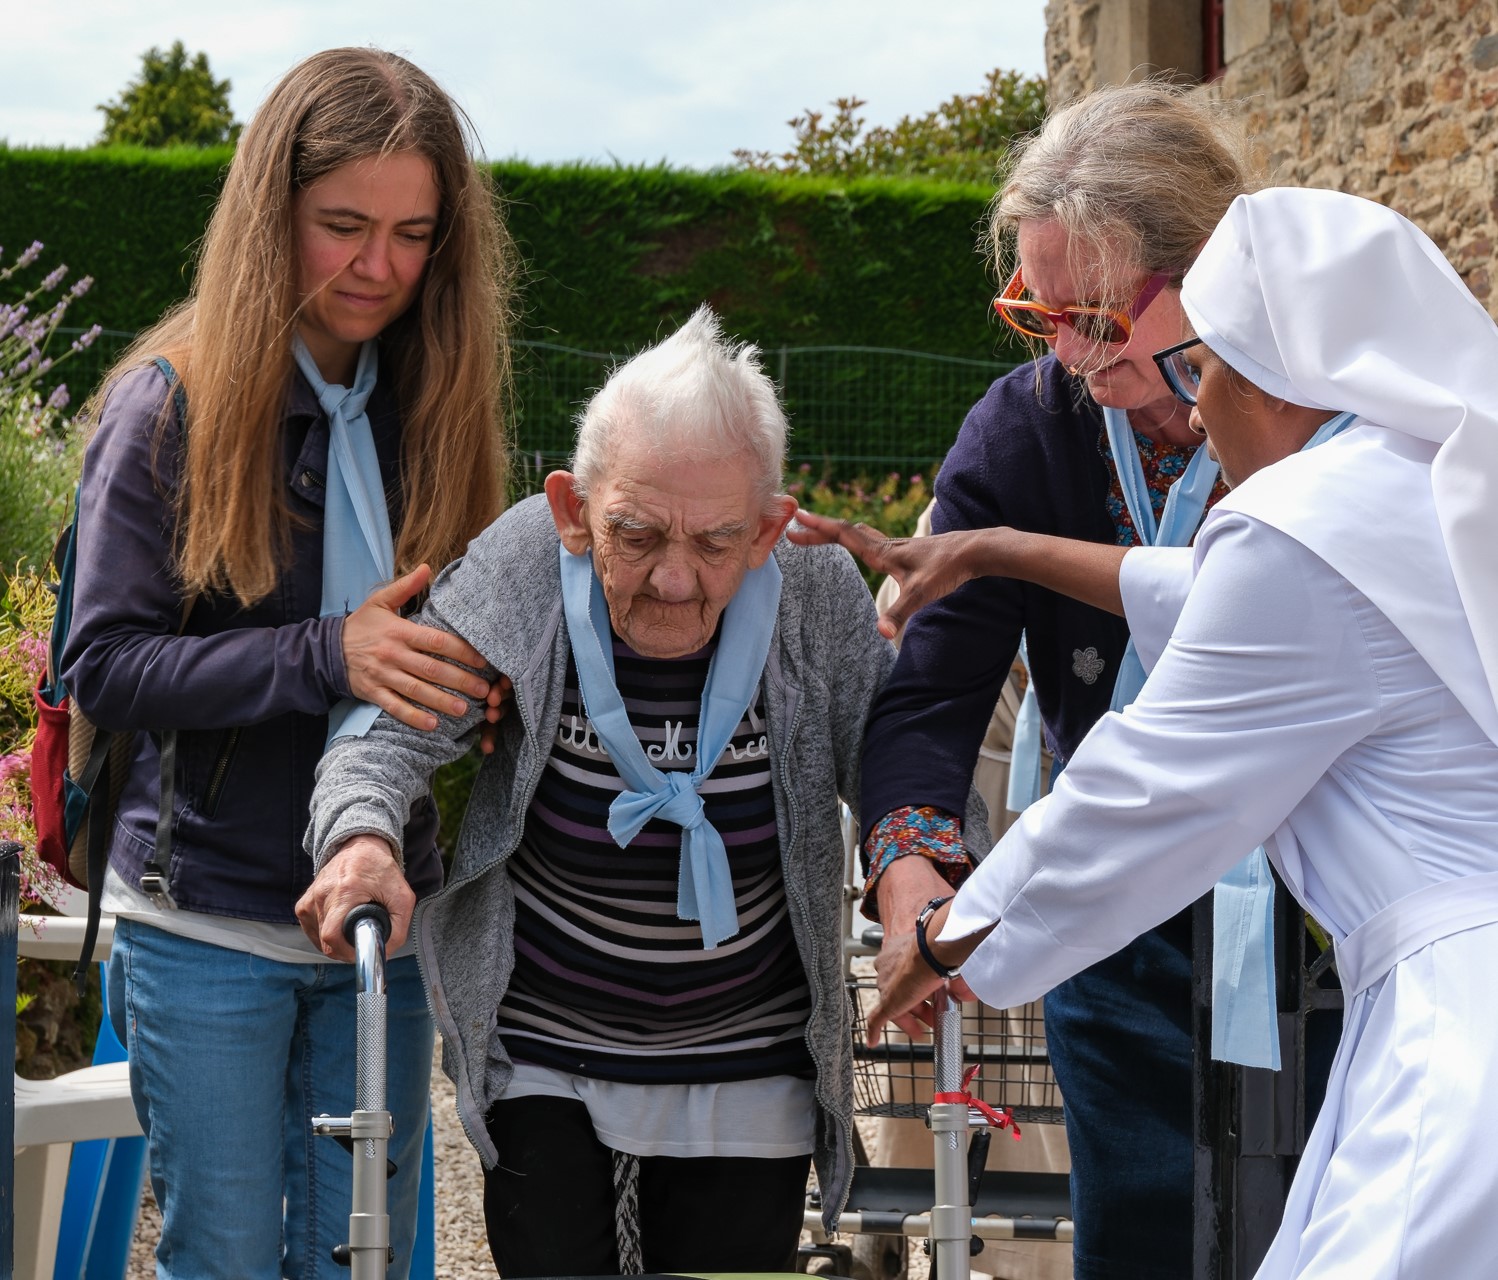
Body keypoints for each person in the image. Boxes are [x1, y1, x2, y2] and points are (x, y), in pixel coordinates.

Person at [813, 186, 1498, 1277]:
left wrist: (950, 937)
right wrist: (1001, 550)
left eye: (1203, 370)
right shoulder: (1433, 482)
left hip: (1459, 1031)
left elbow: (1142, 796)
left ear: (1272, 373)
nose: (1196, 409)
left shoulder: (1304, 532)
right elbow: (1208, 591)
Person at [297, 305, 903, 1278]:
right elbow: (390, 733)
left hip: (748, 1067)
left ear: (767, 529)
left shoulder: (814, 594)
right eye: (637, 530)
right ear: (574, 507)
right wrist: (362, 836)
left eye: (715, 542)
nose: (673, 578)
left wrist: (917, 867)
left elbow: (900, 764)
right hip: (550, 1055)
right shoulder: (528, 563)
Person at [60, 48, 514, 1280]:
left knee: (359, 1262)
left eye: (413, 233)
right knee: (225, 1261)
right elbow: (101, 664)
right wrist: (331, 652)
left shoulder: (433, 401)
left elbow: (447, 651)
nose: (379, 268)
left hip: (382, 921)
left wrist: (482, 693)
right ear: (272, 215)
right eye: (344, 226)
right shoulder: (169, 405)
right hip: (206, 925)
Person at [849, 80, 1251, 1280]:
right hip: (1114, 909)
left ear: (1209, 276)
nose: (1070, 357)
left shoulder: (1322, 415)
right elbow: (931, 688)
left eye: (1097, 319)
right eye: (1040, 312)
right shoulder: (1022, 432)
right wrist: (911, 868)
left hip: (1313, 911)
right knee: (1140, 1233)